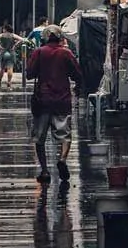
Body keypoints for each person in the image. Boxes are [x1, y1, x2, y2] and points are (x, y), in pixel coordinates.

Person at [26, 24, 83, 184]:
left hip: (42, 100)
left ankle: (44, 171)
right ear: (60, 38)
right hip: (62, 100)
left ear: (44, 38)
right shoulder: (66, 53)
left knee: (39, 138)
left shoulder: (39, 52)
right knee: (65, 135)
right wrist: (78, 87)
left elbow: (29, 73)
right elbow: (78, 74)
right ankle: (63, 159)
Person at [0, 22, 28, 88]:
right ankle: (9, 82)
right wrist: (15, 45)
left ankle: (0, 81)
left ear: (5, 29)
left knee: (2, 68)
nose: (3, 30)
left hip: (3, 52)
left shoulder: (2, 35)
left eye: (3, 29)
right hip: (11, 52)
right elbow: (22, 39)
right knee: (10, 68)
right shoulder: (13, 35)